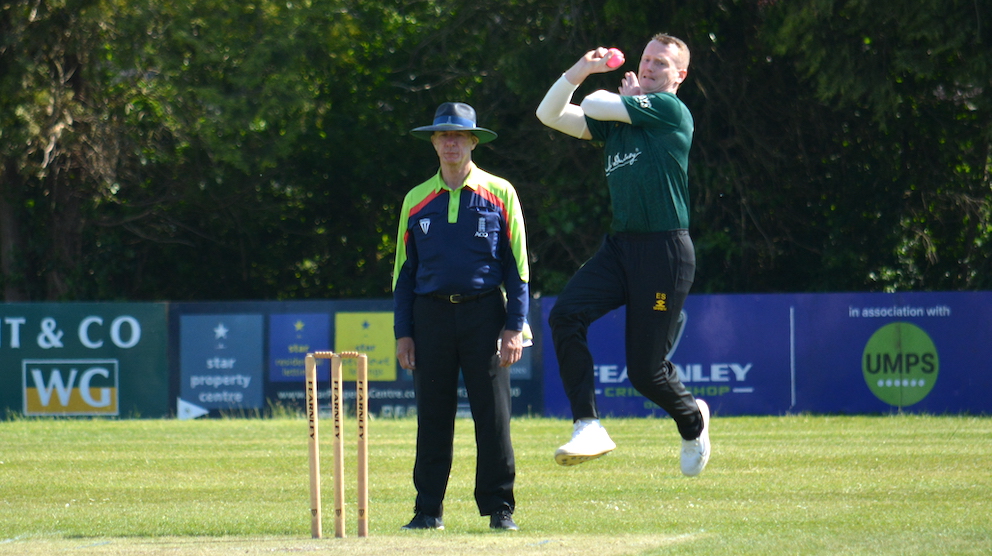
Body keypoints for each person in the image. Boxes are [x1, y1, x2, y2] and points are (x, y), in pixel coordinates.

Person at [535, 34, 711, 476]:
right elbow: (549, 113)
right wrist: (580, 68)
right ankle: (588, 424)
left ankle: (693, 420)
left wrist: (611, 93)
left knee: (646, 374)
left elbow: (594, 104)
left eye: (661, 63)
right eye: (647, 58)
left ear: (680, 76)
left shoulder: (671, 110)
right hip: (621, 248)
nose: (650, 66)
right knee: (565, 316)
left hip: (665, 253)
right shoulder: (620, 119)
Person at [393, 102, 530, 531]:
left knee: (493, 417)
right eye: (442, 135)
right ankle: (427, 509)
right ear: (433, 142)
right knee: (433, 416)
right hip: (429, 316)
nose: (450, 142)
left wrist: (514, 326)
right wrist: (403, 333)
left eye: (459, 136)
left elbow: (519, 268)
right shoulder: (416, 199)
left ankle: (499, 509)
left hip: (486, 316)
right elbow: (403, 273)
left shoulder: (501, 191)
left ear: (473, 141)